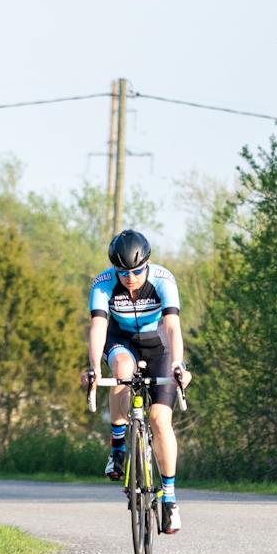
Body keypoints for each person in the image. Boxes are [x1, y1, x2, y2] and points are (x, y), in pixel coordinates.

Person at [82, 229, 192, 534]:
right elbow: (98, 328)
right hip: (122, 342)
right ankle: (118, 446)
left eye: (136, 271)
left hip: (159, 345)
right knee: (121, 368)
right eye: (123, 273)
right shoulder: (103, 284)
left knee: (159, 419)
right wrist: (93, 368)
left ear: (147, 264)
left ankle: (169, 499)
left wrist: (178, 365)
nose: (130, 278)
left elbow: (172, 327)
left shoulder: (163, 280)